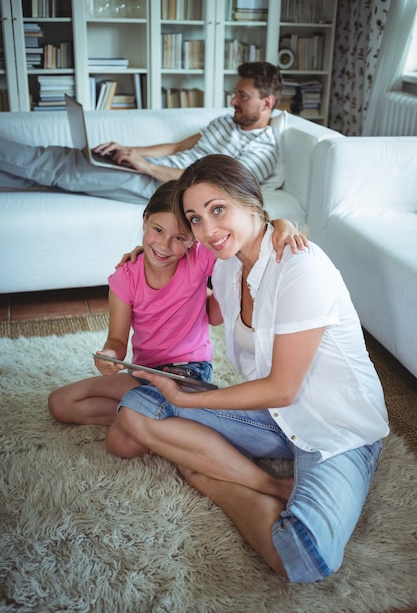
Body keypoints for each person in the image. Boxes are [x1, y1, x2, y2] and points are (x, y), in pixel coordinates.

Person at [105, 154, 390, 584]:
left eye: (218, 209)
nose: (207, 230)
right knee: (137, 410)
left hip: (337, 429)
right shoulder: (225, 267)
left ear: (251, 202)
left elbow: (282, 389)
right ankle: (264, 482)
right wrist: (142, 261)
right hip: (273, 419)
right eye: (195, 218)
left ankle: (210, 475)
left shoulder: (301, 267)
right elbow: (190, 293)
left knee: (303, 558)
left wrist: (187, 402)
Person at [48, 179, 306, 429]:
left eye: (179, 238)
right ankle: (158, 421)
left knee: (122, 442)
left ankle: (153, 421)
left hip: (188, 374)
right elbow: (117, 341)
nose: (164, 245)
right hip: (143, 374)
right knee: (60, 402)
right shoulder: (125, 278)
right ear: (145, 220)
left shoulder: (199, 258)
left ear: (193, 239)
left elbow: (247, 237)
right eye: (158, 230)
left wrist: (282, 224)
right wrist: (109, 356)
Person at [0, 62, 283, 204]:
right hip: (153, 170)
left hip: (168, 186)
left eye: (242, 97)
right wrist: (131, 150)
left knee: (63, 166)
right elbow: (176, 147)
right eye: (235, 94)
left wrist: (146, 167)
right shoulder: (226, 121)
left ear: (267, 102)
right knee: (62, 164)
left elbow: (214, 187)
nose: (233, 101)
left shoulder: (263, 149)